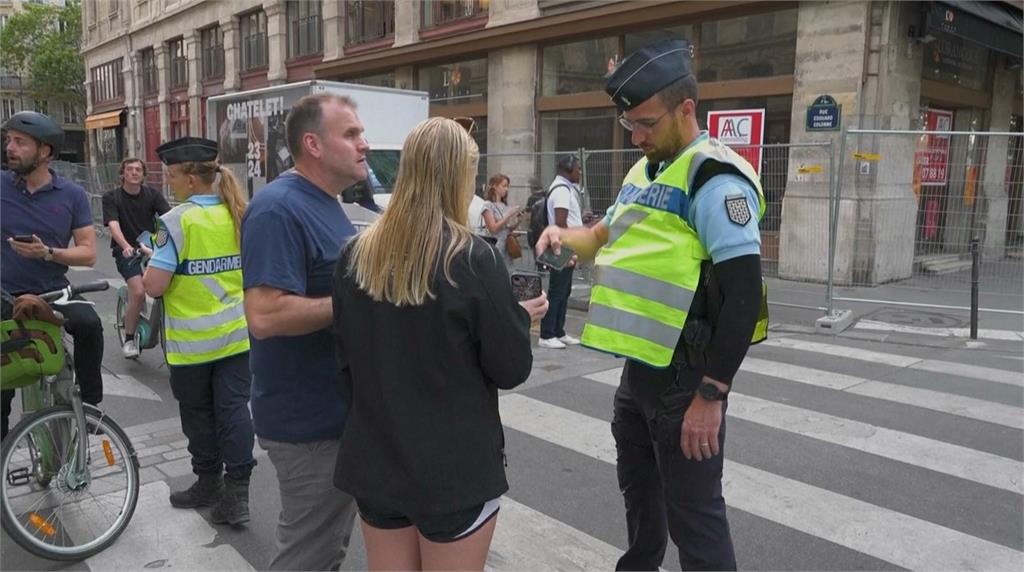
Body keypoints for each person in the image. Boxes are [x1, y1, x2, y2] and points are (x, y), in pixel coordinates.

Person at [535, 39, 769, 571]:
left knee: (696, 519)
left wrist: (712, 394)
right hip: (641, 371)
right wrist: (561, 234)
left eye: (645, 123)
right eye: (628, 126)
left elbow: (743, 295)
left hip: (688, 378)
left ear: (686, 110)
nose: (636, 136)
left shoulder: (714, 180)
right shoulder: (645, 171)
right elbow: (600, 236)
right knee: (641, 503)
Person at [332, 117, 547, 571]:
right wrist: (518, 320)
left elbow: (348, 356)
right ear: (458, 177)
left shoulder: (355, 254)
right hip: (453, 470)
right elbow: (510, 368)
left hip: (376, 458)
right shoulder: (472, 257)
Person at [241, 93, 362, 571]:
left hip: (333, 415)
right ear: (312, 144)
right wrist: (360, 303)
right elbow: (265, 316)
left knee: (325, 550)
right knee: (308, 556)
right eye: (350, 133)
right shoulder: (278, 208)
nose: (364, 144)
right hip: (307, 424)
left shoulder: (326, 202)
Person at [141, 137, 255, 526]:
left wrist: (149, 265)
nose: (168, 183)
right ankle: (238, 496)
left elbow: (154, 286)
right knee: (235, 412)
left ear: (191, 178)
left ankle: (209, 484)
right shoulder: (238, 213)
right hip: (237, 337)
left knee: (200, 415)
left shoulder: (176, 221)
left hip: (192, 346)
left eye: (172, 176)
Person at [1, 111, 103, 439]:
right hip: (5, 294)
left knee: (89, 324)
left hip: (52, 291)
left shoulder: (71, 194)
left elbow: (88, 252)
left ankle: (89, 406)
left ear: (45, 152)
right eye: (8, 141)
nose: (10, 148)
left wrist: (48, 253)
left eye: (20, 142)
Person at [103, 157, 171, 358]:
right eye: (130, 169)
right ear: (122, 173)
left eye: (138, 170)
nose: (134, 173)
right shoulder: (112, 197)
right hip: (127, 252)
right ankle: (130, 338)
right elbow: (113, 225)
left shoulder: (152, 195)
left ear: (143, 175)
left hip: (151, 249)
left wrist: (163, 243)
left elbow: (169, 220)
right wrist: (125, 246)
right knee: (139, 292)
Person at [538, 154, 584, 349]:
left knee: (564, 290)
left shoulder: (564, 188)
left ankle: (559, 331)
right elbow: (561, 223)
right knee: (557, 291)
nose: (579, 172)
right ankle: (547, 334)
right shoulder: (562, 191)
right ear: (568, 170)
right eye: (578, 169)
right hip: (562, 248)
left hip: (565, 247)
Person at [480, 173, 523, 270]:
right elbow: (493, 228)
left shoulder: (504, 205)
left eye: (507, 186)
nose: (506, 189)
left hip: (507, 248)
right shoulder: (488, 205)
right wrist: (508, 215)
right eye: (503, 186)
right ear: (494, 186)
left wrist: (518, 221)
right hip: (496, 247)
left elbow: (507, 228)